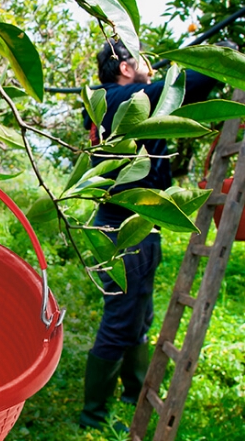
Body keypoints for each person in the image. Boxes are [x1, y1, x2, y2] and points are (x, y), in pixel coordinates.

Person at [79, 37, 226, 430]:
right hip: (124, 224)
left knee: (138, 312)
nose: (151, 67)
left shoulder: (111, 104)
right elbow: (188, 86)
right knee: (122, 317)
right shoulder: (120, 101)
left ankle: (133, 389)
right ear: (125, 68)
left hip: (134, 222)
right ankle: (93, 415)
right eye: (142, 59)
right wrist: (218, 54)